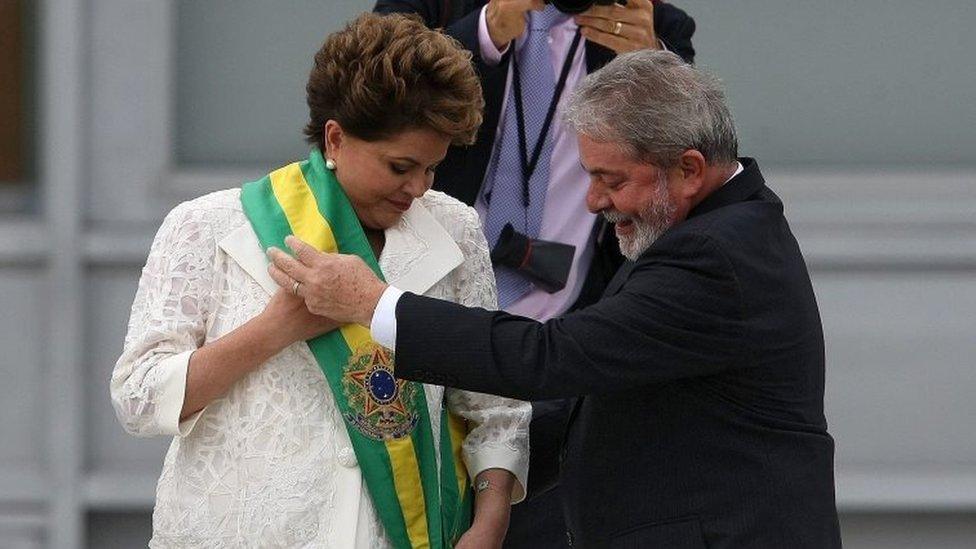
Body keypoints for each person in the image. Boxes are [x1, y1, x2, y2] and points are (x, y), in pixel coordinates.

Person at [267, 50, 843, 548]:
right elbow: (604, 396)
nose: (593, 202)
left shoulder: (715, 257)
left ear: (689, 169)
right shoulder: (712, 234)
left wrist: (374, 305)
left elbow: (552, 357)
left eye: (613, 180)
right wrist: (465, 467)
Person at [111, 14, 529, 548]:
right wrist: (275, 329)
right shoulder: (208, 226)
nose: (418, 188)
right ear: (335, 137)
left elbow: (493, 407)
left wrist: (490, 523)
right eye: (400, 166)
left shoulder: (455, 230)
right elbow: (139, 400)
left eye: (432, 168)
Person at [372, 1, 695, 544]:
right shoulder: (438, 6)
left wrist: (654, 75)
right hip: (420, 329)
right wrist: (479, 35)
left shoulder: (651, 24)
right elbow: (368, 100)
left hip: (560, 351)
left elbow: (691, 170)